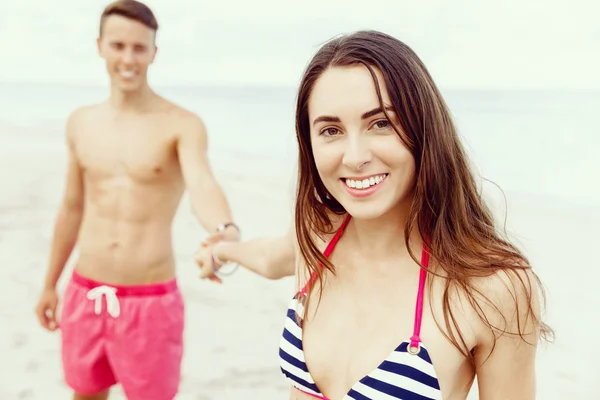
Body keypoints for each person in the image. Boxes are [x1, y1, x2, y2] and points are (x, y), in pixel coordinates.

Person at [197, 30, 553, 400]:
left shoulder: (493, 287)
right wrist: (220, 252)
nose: (354, 156)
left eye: (380, 123)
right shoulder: (319, 234)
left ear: (424, 128)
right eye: (331, 130)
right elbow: (270, 258)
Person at [33, 1, 238, 399]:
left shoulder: (182, 124)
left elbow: (202, 183)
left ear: (154, 53)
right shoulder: (81, 122)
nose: (128, 58)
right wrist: (49, 284)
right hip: (85, 290)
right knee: (86, 393)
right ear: (100, 46)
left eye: (139, 48)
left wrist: (224, 230)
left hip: (150, 301)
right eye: (118, 45)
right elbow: (72, 207)